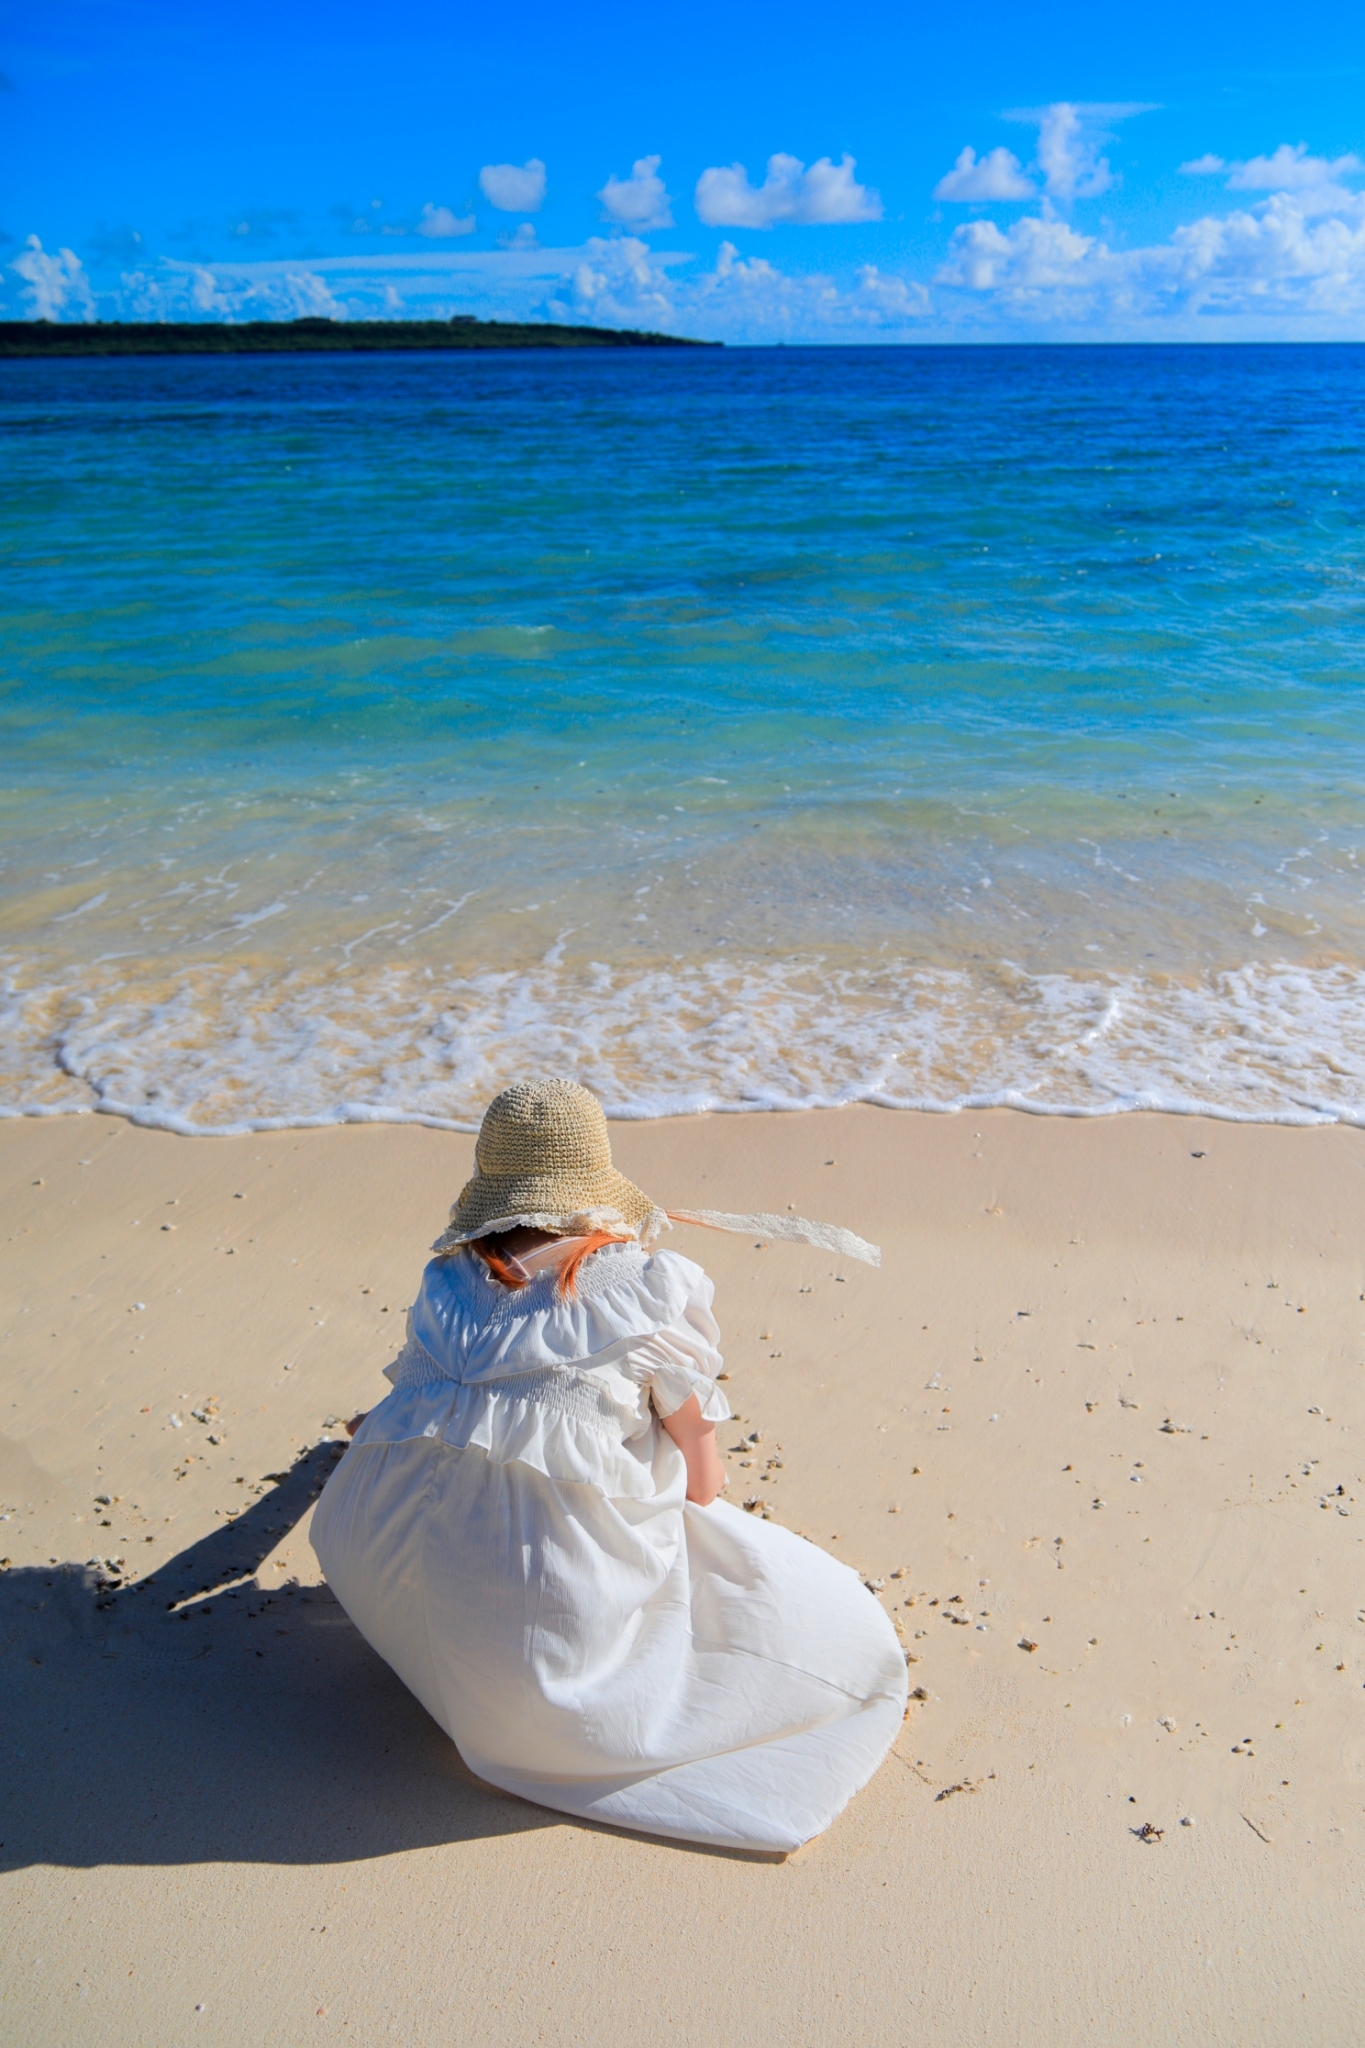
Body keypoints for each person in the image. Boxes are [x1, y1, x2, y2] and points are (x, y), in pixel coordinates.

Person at [311, 1078, 907, 1853]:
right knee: (789, 1601)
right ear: (593, 1176)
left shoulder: (446, 1281)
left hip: (365, 1564)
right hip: (522, 1646)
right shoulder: (645, 1290)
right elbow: (704, 1484)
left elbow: (401, 1415)